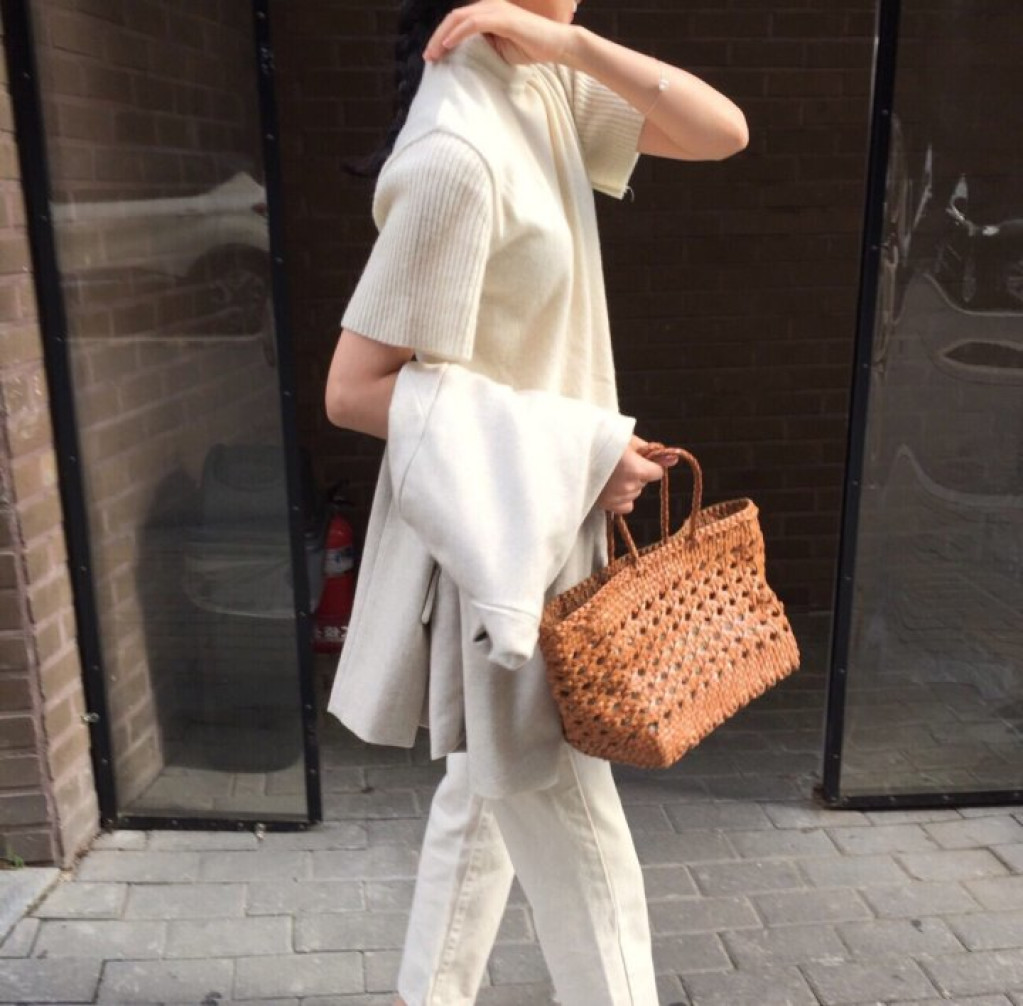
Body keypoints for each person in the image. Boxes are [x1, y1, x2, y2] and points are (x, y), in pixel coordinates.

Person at [324, 2, 748, 1003]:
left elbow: (720, 131)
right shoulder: (458, 153)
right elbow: (353, 389)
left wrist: (569, 46)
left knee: (484, 800)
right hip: (502, 553)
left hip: (540, 525)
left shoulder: (541, 81)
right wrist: (583, 453)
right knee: (587, 855)